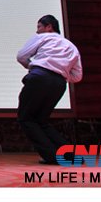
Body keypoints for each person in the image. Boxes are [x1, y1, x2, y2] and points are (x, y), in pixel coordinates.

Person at [16, 15, 82, 165]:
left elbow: (21, 56)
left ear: (49, 27)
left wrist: (34, 66)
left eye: (39, 27)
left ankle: (51, 156)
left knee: (26, 118)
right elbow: (77, 76)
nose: (37, 31)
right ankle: (71, 156)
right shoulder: (71, 46)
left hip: (39, 78)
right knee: (41, 121)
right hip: (59, 84)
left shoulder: (43, 37)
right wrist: (59, 73)